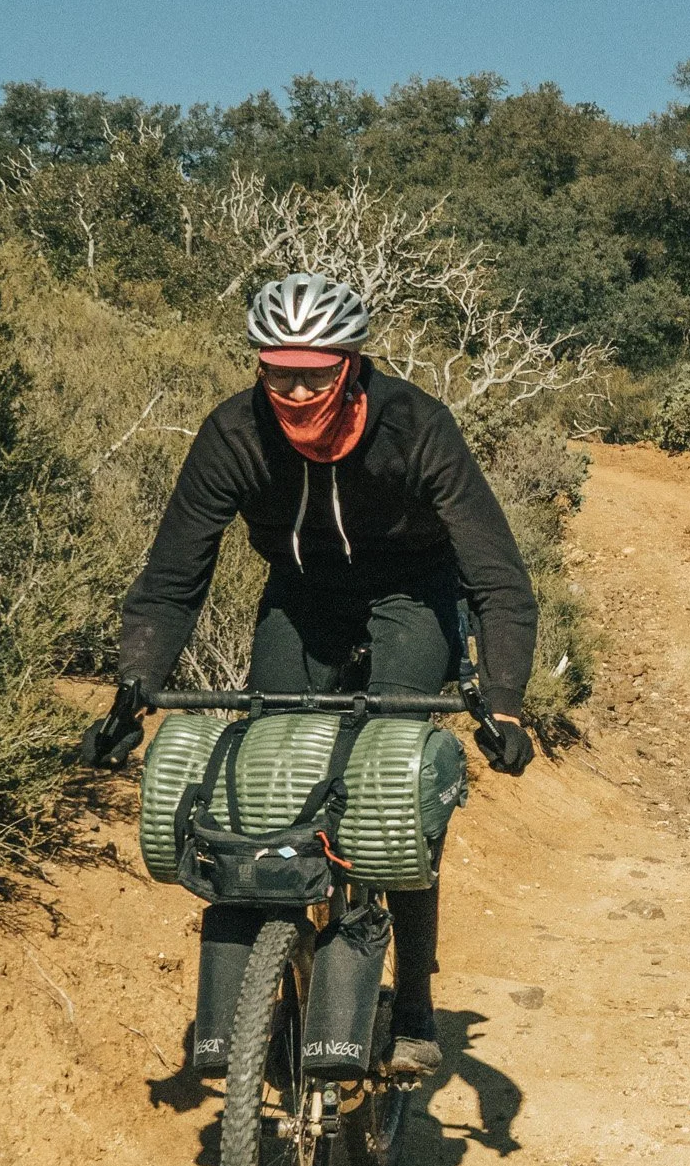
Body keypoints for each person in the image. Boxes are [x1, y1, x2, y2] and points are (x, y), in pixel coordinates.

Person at [77, 272, 537, 1081]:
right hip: (301, 597)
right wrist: (132, 689)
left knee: (392, 780)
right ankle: (270, 996)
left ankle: (415, 1009)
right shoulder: (234, 433)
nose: (294, 390)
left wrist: (504, 702)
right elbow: (173, 574)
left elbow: (496, 576)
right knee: (267, 773)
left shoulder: (416, 426)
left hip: (411, 595)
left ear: (351, 365)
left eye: (315, 374)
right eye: (277, 370)